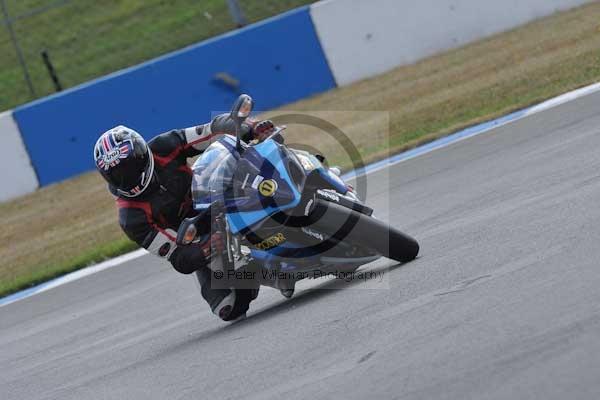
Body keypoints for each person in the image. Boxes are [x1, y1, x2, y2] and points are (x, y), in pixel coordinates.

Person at [93, 114, 275, 321]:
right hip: (201, 235)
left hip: (216, 192)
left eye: (129, 167)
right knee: (228, 307)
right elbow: (179, 258)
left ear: (142, 155)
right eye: (116, 174)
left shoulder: (163, 146)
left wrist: (250, 127)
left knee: (250, 152)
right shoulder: (132, 218)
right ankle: (260, 272)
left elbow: (212, 130)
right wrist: (208, 246)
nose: (126, 177)